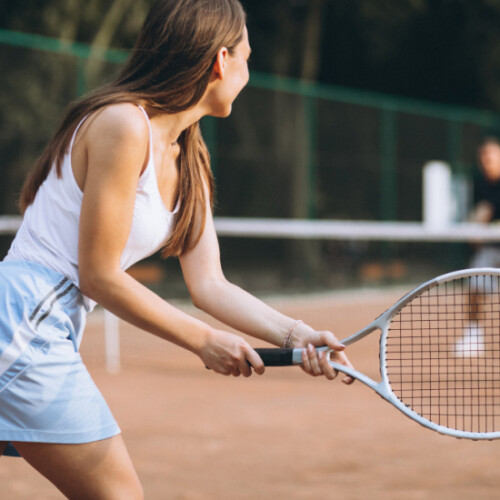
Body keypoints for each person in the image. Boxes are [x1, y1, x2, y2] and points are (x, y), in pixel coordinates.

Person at [0, 0, 354, 497]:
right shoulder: (124, 126)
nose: (250, 74)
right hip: (22, 322)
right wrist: (202, 340)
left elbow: (210, 284)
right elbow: (97, 275)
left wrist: (298, 336)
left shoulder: (189, 157)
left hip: (42, 326)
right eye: (247, 58)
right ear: (220, 60)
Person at [455, 135, 500, 357]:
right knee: (475, 288)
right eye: (482, 156)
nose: (486, 160)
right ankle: (473, 335)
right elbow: (477, 218)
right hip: (490, 249)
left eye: (490, 155)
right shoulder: (479, 184)